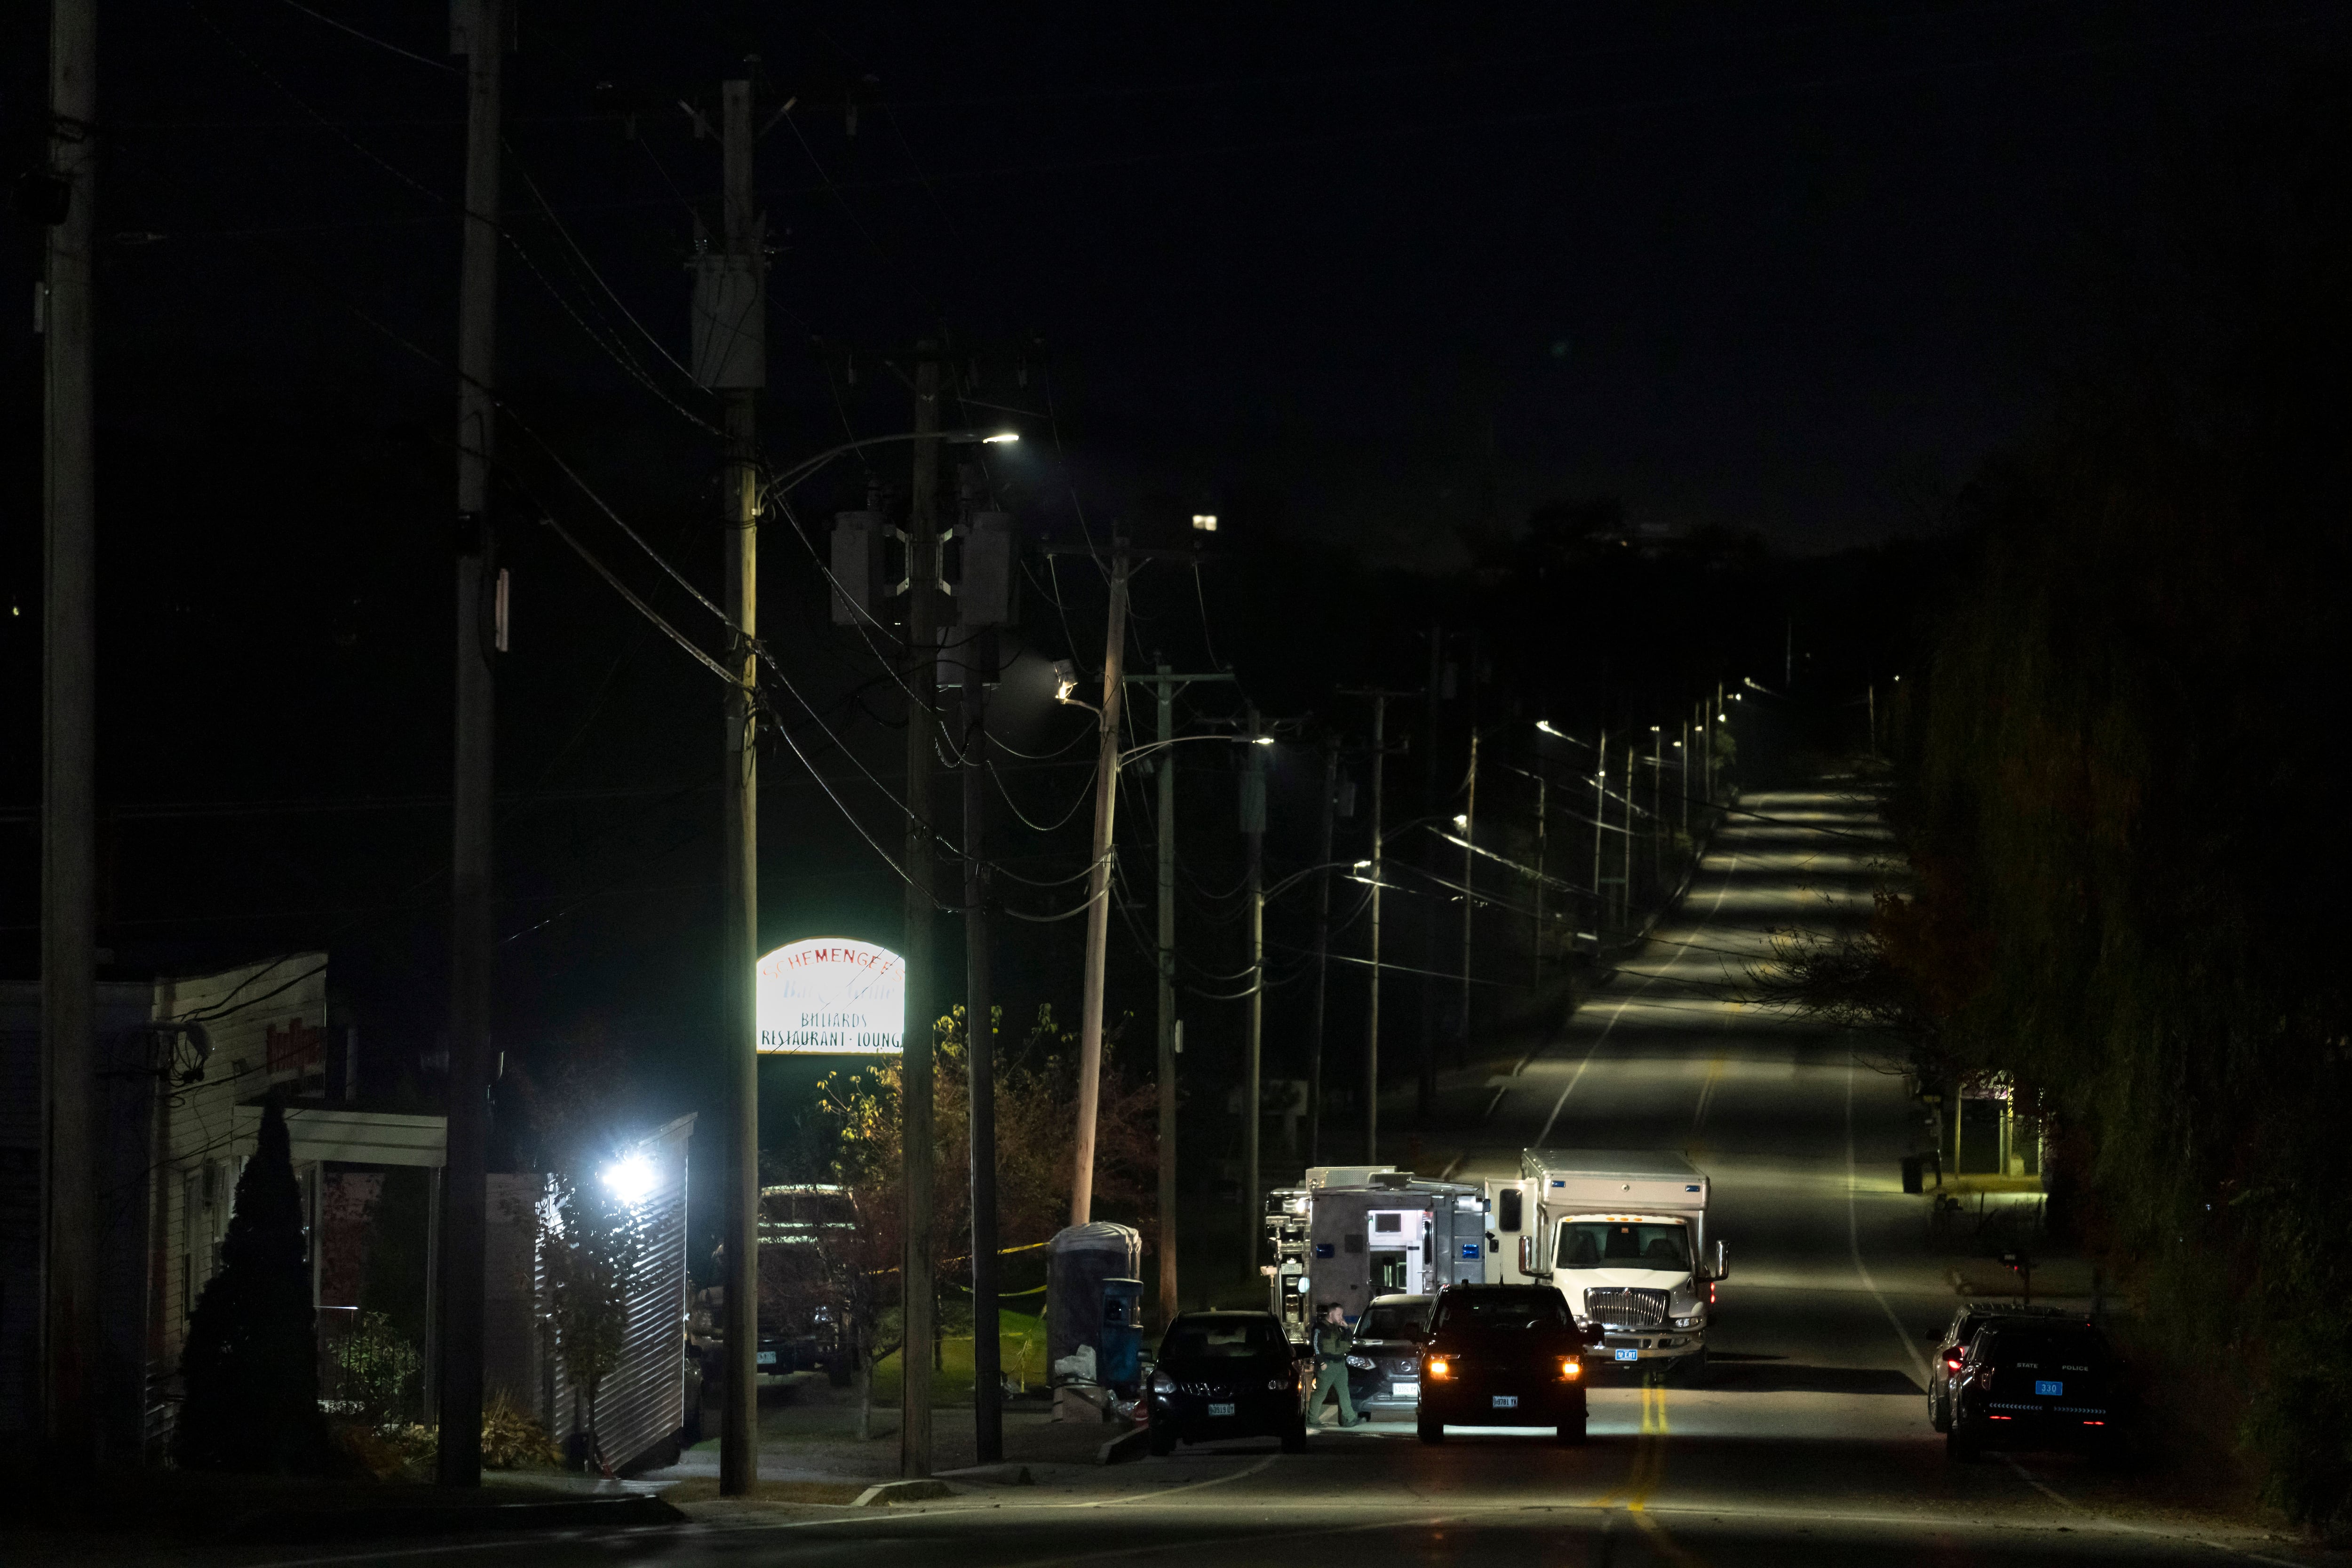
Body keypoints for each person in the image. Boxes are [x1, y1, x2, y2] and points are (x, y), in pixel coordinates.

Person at [1306, 1301, 1362, 1430]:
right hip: (1328, 1365)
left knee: (1344, 1392)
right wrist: (1322, 1363)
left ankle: (1350, 1418)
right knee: (1321, 1393)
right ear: (1331, 1314)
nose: (1341, 1317)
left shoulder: (1339, 1327)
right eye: (1339, 1315)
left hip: (1340, 1365)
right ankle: (1312, 1420)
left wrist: (1347, 1328)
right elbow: (1316, 1345)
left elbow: (1349, 1340)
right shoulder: (1320, 1328)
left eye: (1342, 1314)